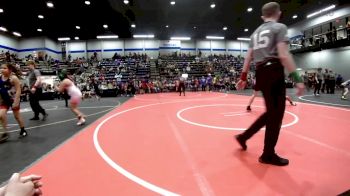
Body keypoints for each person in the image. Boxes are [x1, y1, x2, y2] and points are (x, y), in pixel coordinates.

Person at [235, 2, 304, 166]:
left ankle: (244, 137)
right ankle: (267, 154)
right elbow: (284, 54)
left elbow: (248, 57)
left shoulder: (254, 34)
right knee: (276, 114)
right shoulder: (279, 28)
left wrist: (243, 77)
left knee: (272, 112)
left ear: (262, 16)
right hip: (273, 70)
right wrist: (297, 78)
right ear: (278, 13)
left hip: (261, 73)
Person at [0, 63, 28, 143]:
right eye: (1, 68)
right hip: (4, 100)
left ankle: (23, 130)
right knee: (1, 115)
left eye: (4, 68)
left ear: (10, 70)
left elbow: (18, 90)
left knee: (17, 116)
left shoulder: (13, 78)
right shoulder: (0, 77)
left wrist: (16, 101)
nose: (2, 69)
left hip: (13, 99)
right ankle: (5, 133)